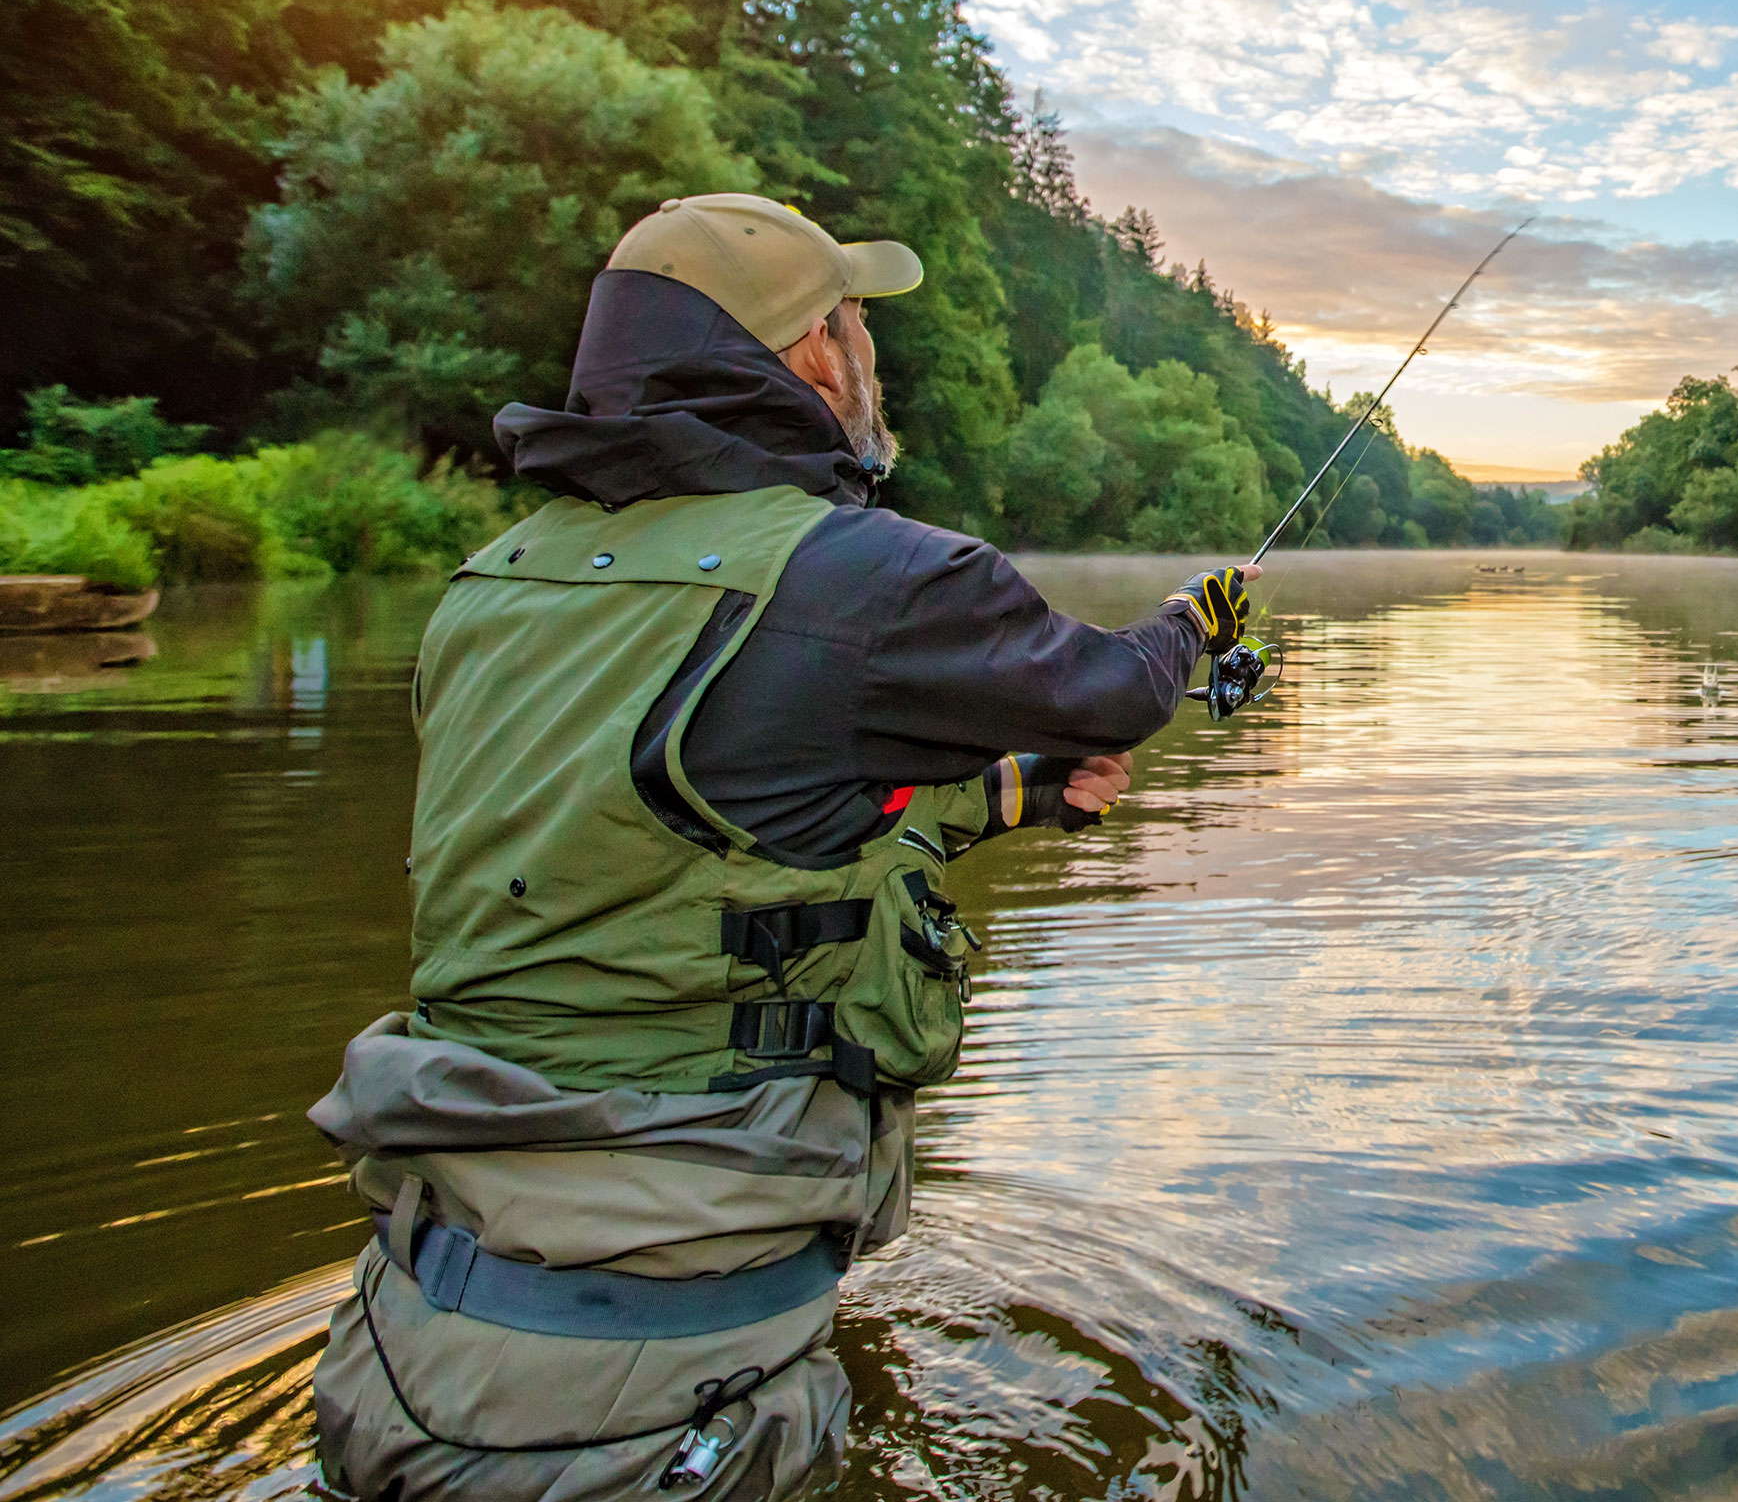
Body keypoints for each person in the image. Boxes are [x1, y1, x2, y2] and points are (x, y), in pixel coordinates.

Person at [308, 192, 1257, 1500]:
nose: (872, 356)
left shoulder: (493, 590)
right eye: (859, 324)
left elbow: (683, 828)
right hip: (653, 1420)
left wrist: (1015, 796)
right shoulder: (872, 579)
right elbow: (1115, 691)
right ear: (814, 350)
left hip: (397, 1357)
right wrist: (1188, 622)